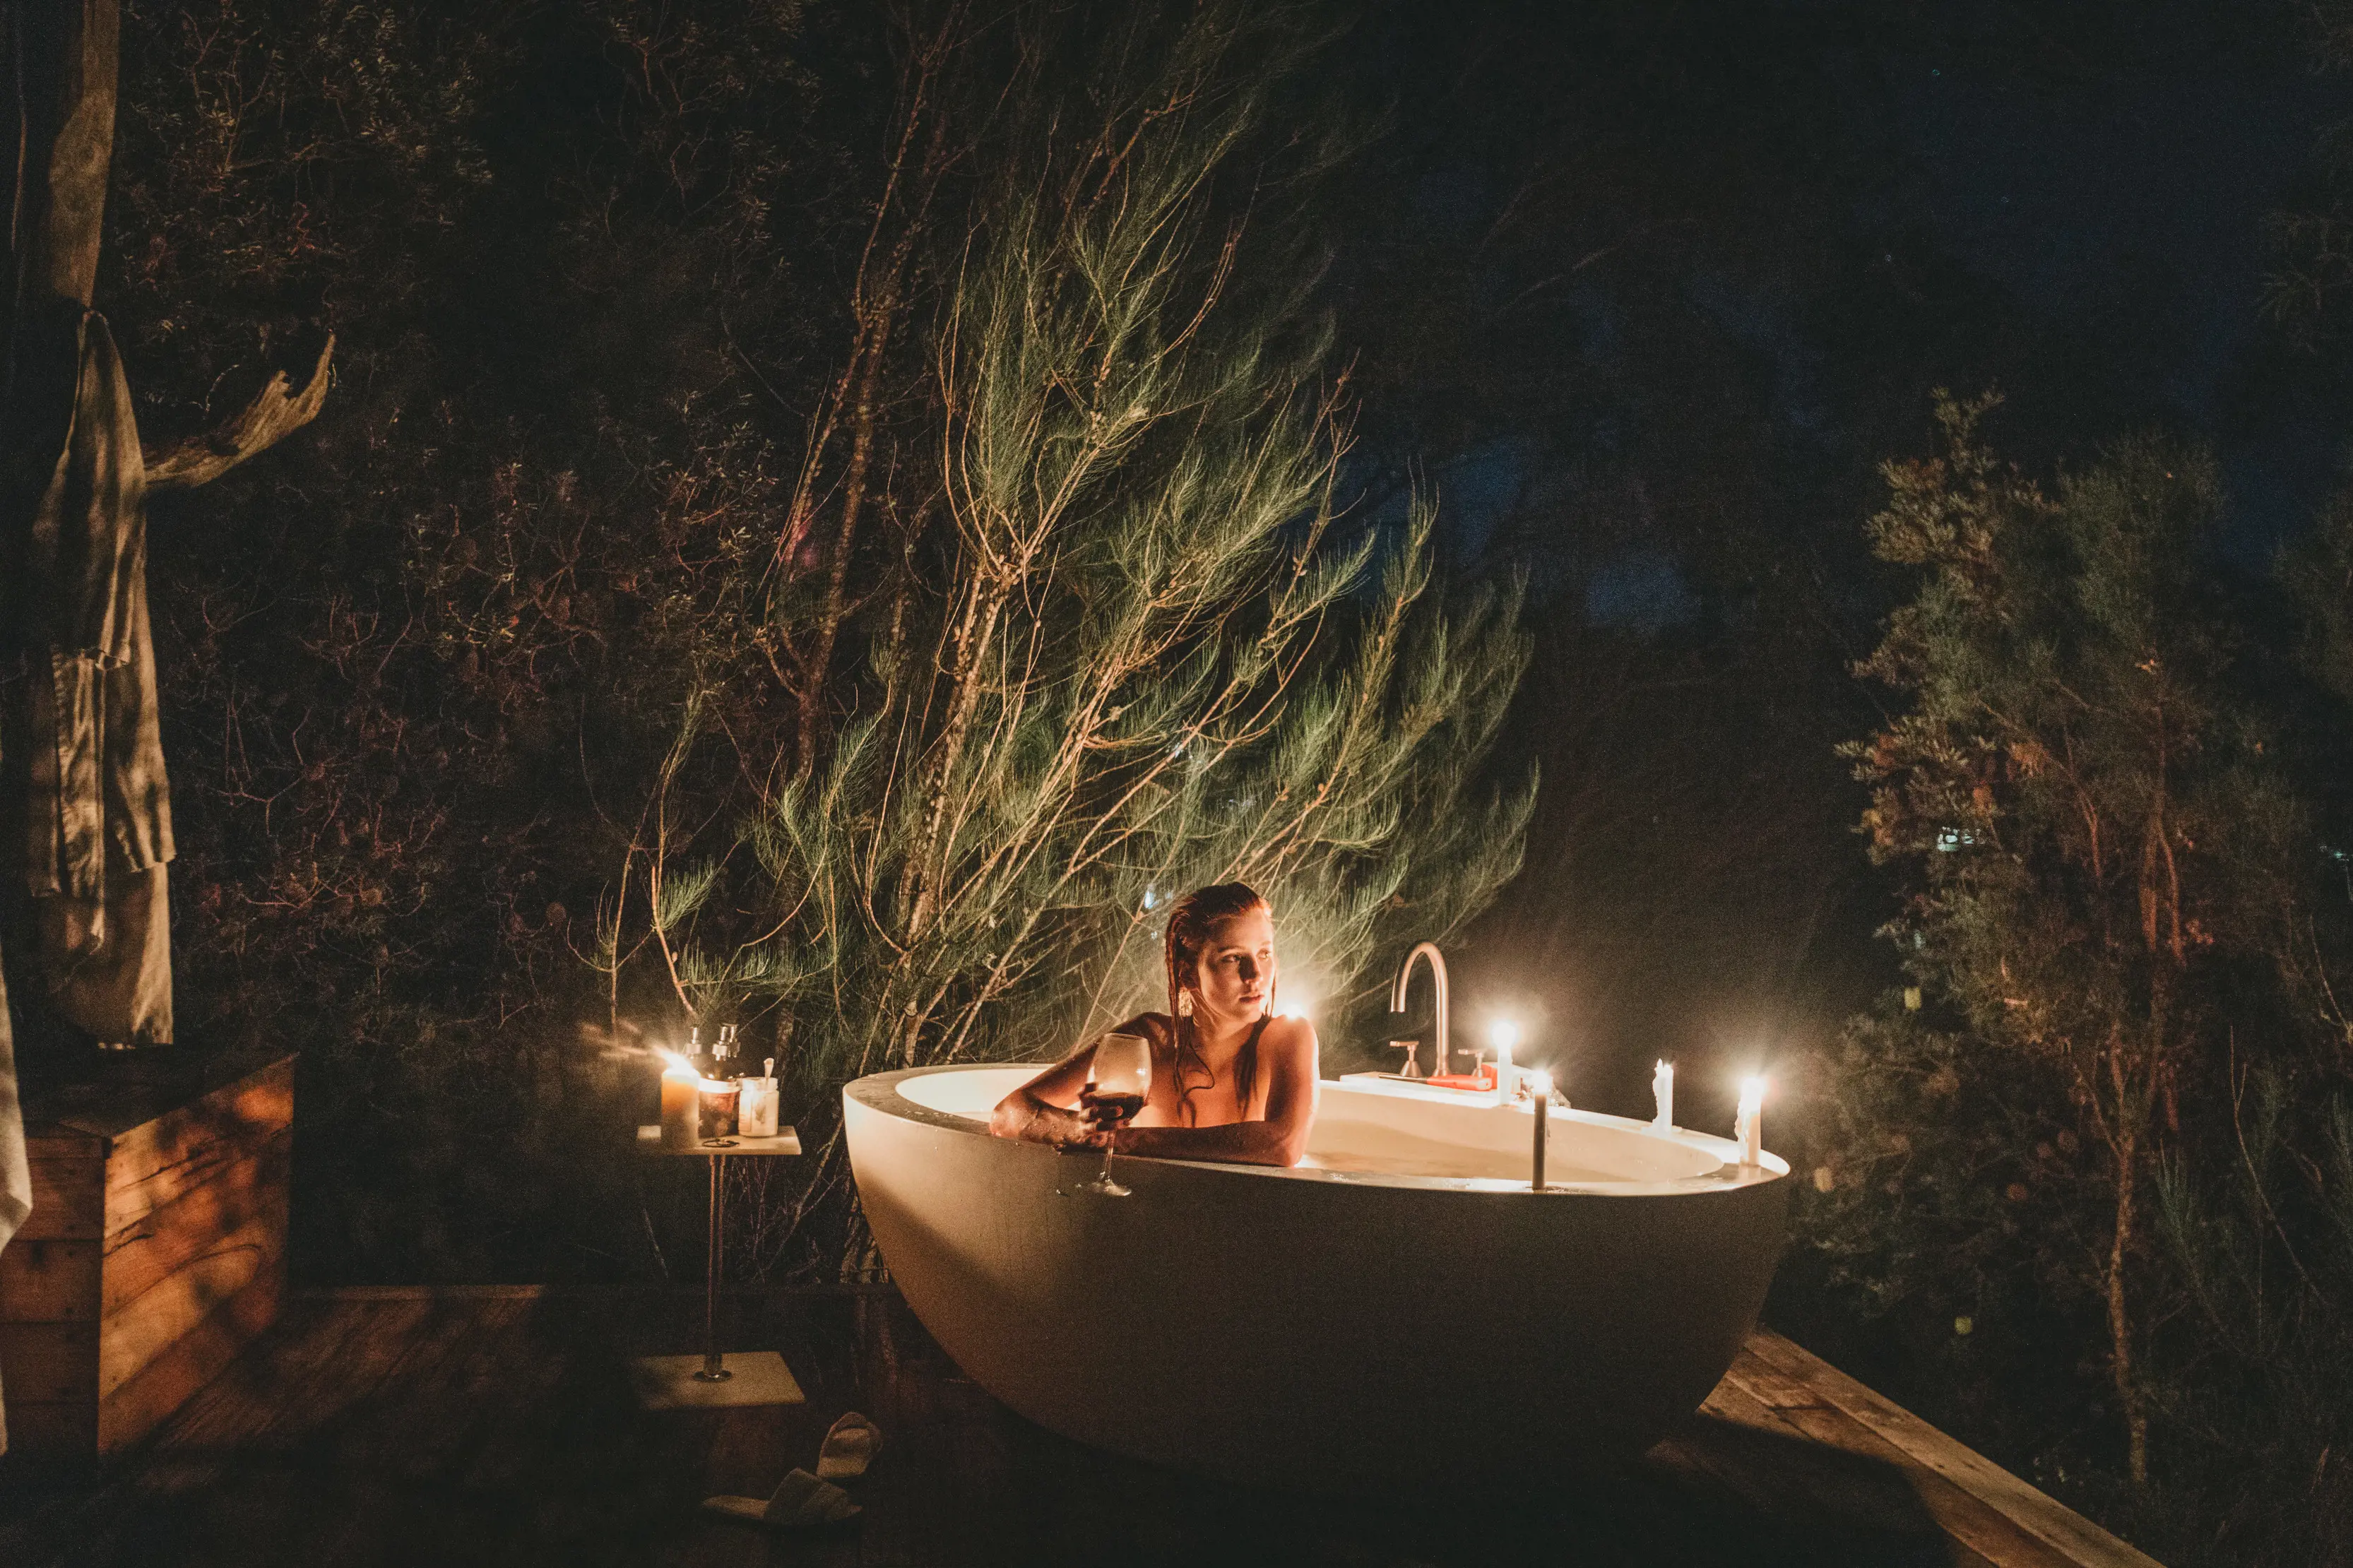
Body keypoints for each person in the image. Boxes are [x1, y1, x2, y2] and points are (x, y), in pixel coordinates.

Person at [990, 882, 1317, 1167]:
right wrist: (1081, 1130)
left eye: (1264, 954)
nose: (1256, 975)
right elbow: (1008, 1114)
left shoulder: (1287, 1037)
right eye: (1233, 958)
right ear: (1187, 973)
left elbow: (1283, 1145)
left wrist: (1128, 1141)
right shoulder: (1150, 1042)